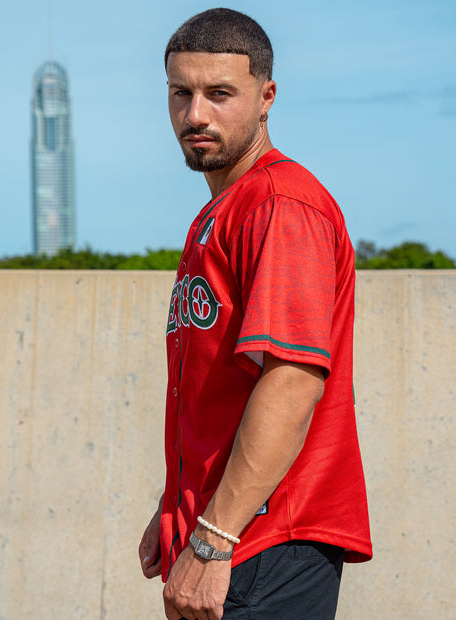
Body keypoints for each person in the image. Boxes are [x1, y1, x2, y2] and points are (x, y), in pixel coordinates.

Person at [139, 8, 372, 619]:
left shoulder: (281, 204)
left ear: (266, 96)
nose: (195, 115)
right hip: (234, 533)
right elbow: (220, 388)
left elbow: (291, 382)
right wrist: (177, 508)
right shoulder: (226, 210)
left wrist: (213, 541)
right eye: (180, 93)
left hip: (266, 541)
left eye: (220, 94)